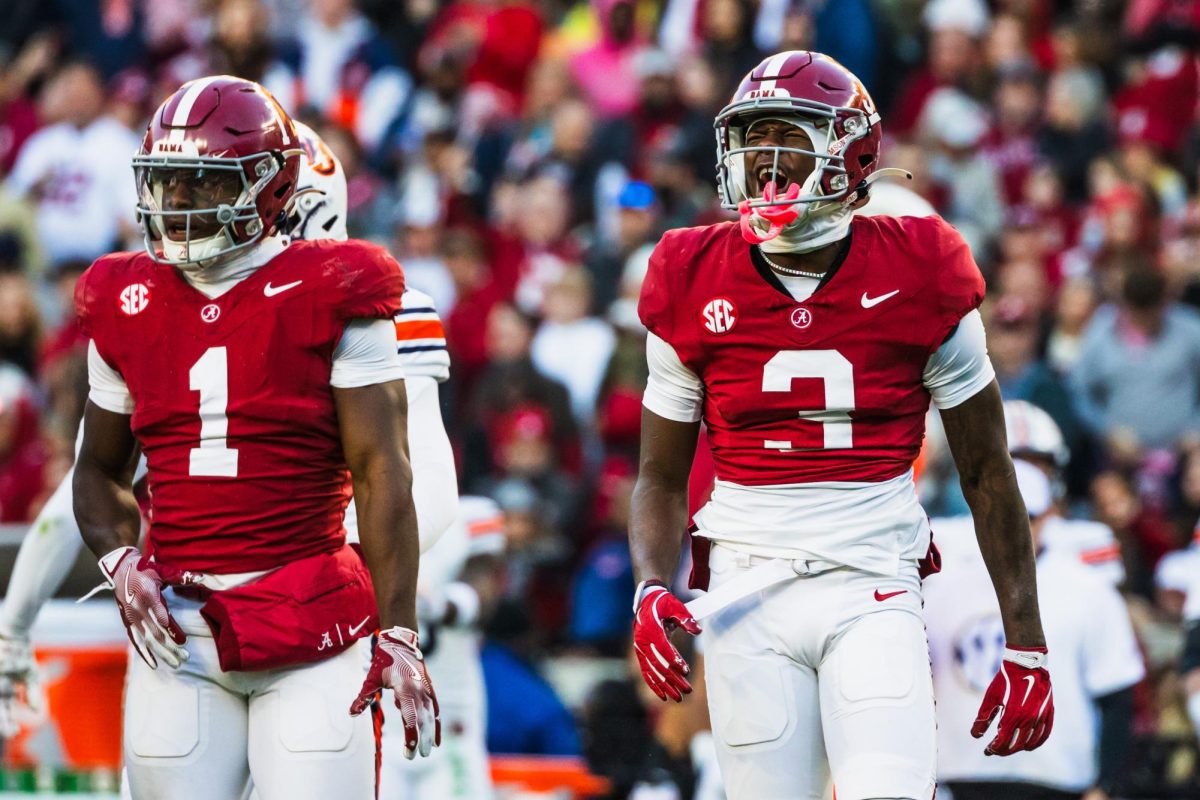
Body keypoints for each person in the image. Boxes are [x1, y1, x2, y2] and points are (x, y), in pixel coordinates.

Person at [629, 51, 1053, 800]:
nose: (763, 165)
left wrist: (1027, 646)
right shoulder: (688, 270)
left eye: (785, 138)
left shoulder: (922, 266)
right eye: (751, 142)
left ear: (849, 151)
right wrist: (648, 587)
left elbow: (989, 474)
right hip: (744, 591)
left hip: (873, 583)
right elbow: (659, 476)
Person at [0, 121, 459, 757]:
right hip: (188, 613)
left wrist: (340, 576)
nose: (186, 215)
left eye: (203, 191)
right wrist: (15, 626)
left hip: (318, 613)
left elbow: (419, 473)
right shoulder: (154, 297)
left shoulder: (366, 299)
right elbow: (93, 476)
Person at [926, 460, 1144, 800]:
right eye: (997, 517)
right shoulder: (941, 584)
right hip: (956, 776)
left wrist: (1106, 786)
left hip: (1057, 780)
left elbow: (1116, 695)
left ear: (1048, 518)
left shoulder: (1088, 589)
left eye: (1026, 517)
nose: (1011, 529)